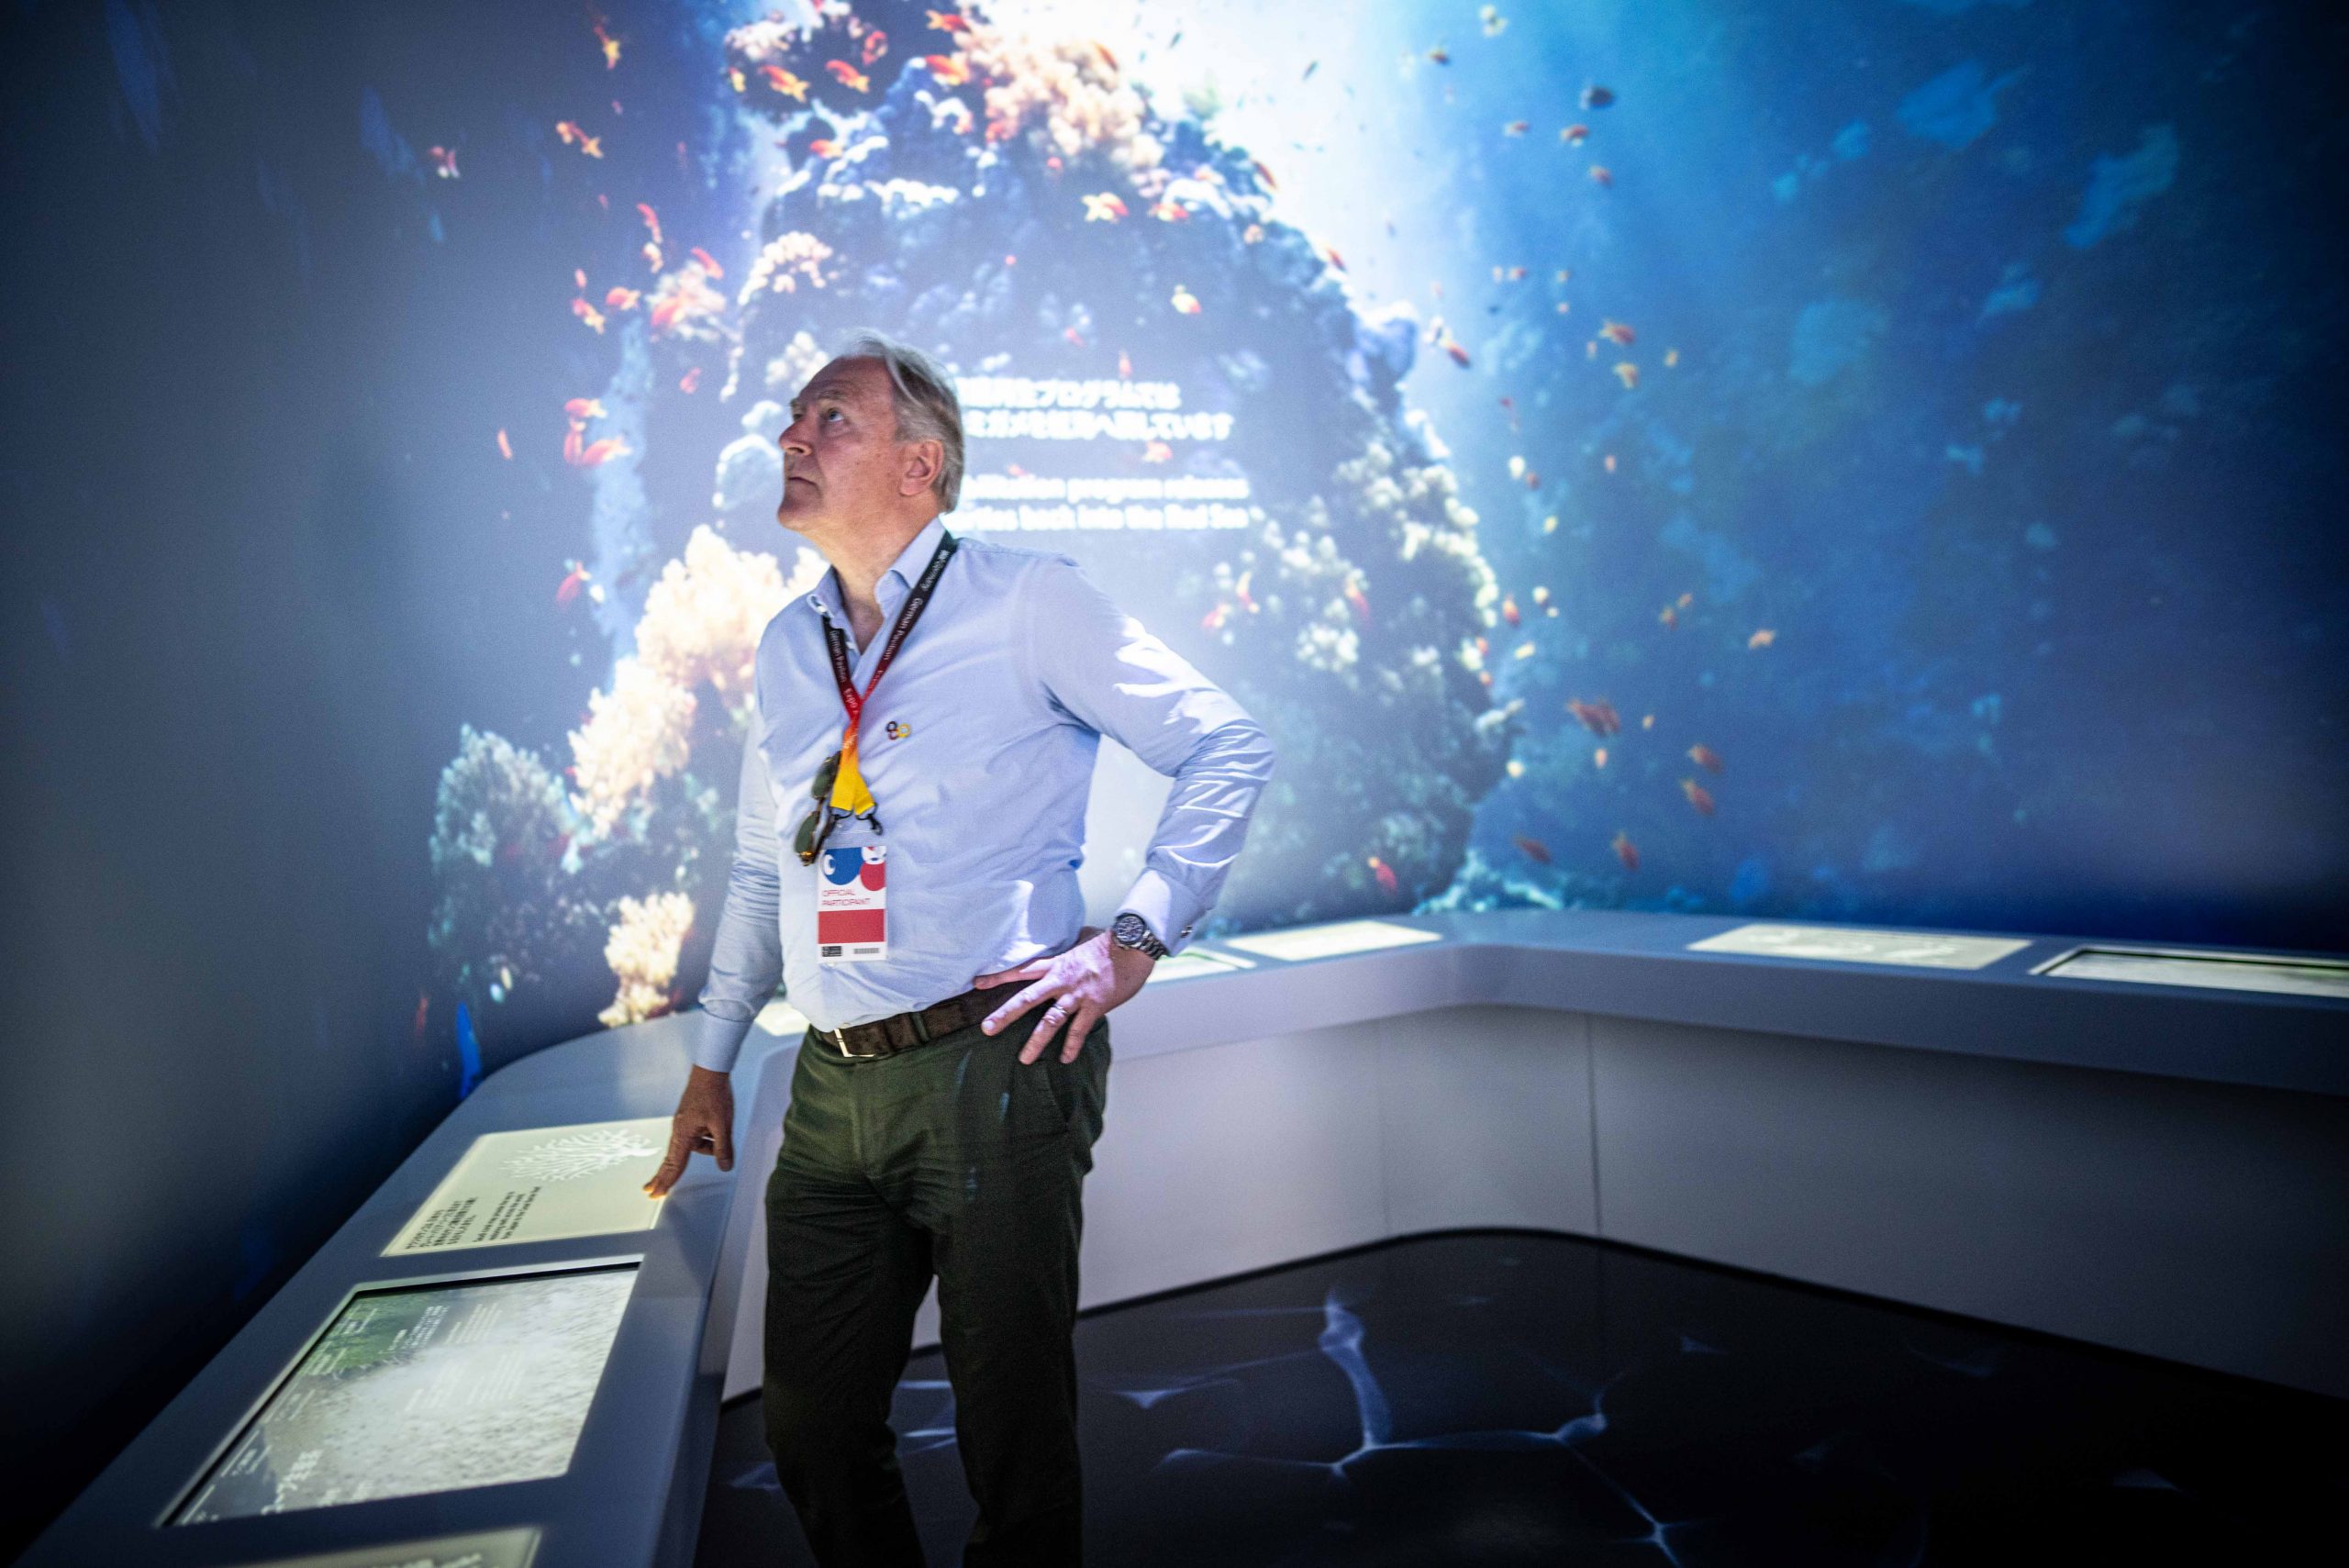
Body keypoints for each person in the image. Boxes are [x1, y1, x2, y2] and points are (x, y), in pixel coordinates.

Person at [642, 328, 1275, 1566]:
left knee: (1013, 1440)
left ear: (920, 464)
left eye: (830, 417)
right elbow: (765, 865)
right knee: (811, 1425)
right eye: (795, 416)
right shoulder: (788, 646)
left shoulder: (1029, 600)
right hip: (831, 1084)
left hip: (994, 1064)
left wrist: (1132, 940)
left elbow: (1226, 743)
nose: (791, 435)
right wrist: (712, 1060)